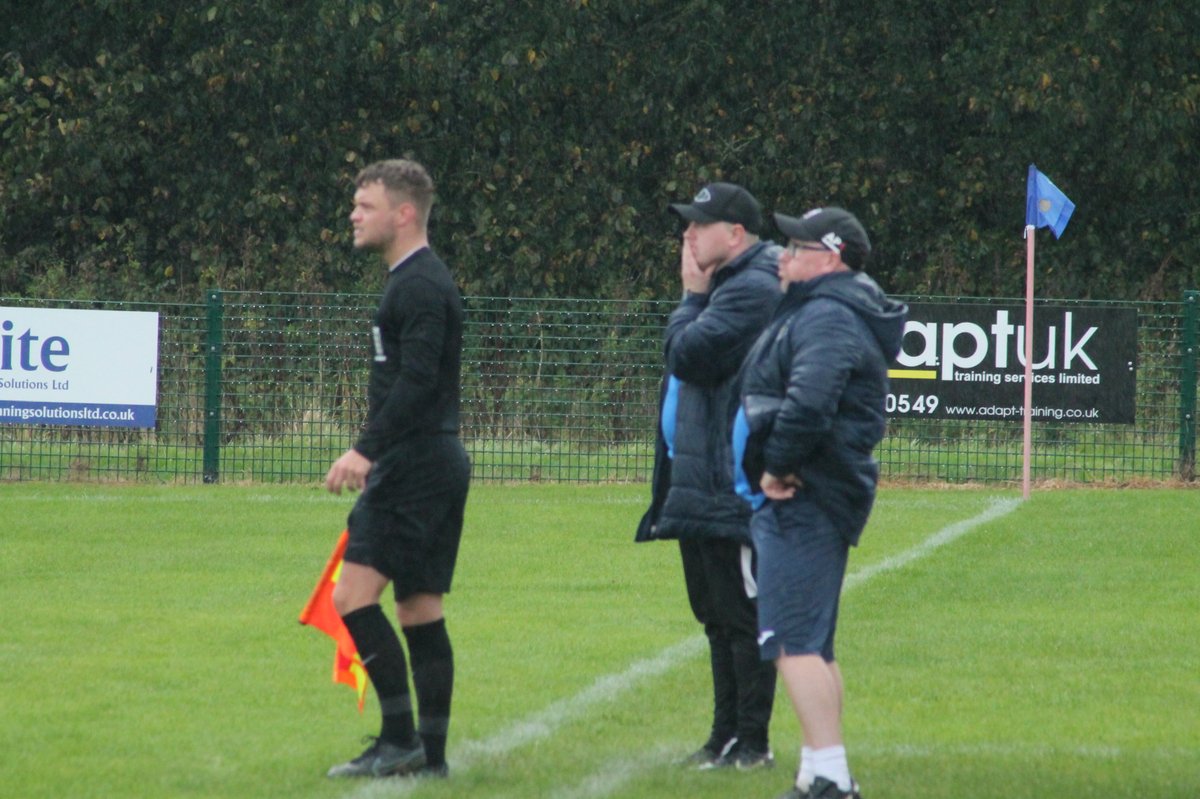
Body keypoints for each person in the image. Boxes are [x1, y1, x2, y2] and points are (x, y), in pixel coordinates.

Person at [736, 207, 907, 799]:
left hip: (807, 495)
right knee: (812, 642)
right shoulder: (827, 310)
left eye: (796, 246)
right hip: (820, 492)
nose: (783, 256)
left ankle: (831, 777)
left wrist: (777, 466)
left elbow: (809, 403)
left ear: (830, 258)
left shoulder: (829, 315)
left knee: (792, 642)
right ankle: (819, 771)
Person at [323, 158, 470, 780]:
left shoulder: (419, 285)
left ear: (404, 214)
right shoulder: (413, 282)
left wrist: (366, 448)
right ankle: (427, 757)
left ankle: (400, 739)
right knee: (417, 609)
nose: (353, 215)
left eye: (366, 205)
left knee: (352, 597)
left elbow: (417, 378)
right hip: (431, 461)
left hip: (414, 463)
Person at [636, 182, 782, 771]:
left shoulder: (751, 287)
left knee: (743, 620)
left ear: (737, 234)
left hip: (732, 487)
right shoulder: (728, 283)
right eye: (686, 224)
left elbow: (689, 353)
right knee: (717, 619)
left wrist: (690, 297)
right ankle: (724, 738)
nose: (687, 235)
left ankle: (753, 743)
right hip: (700, 484)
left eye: (700, 223)